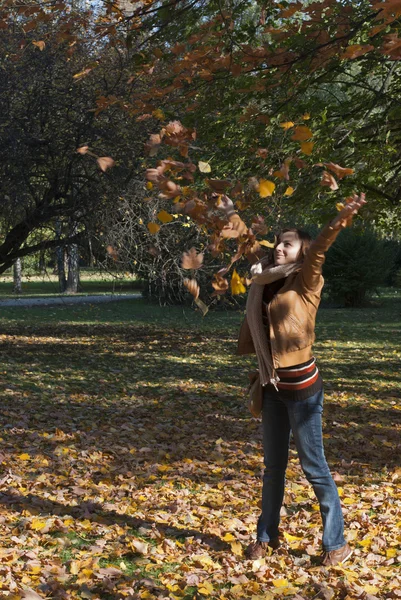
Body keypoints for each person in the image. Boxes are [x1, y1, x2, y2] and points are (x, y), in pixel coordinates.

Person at [236, 193, 366, 567]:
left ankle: (336, 544)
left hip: (304, 389)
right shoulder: (263, 277)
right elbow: (246, 239)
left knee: (314, 467)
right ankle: (266, 535)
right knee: (273, 466)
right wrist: (227, 209)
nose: (278, 247)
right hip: (272, 385)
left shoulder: (307, 280)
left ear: (301, 251)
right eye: (277, 241)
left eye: (287, 243)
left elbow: (321, 246)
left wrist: (339, 219)